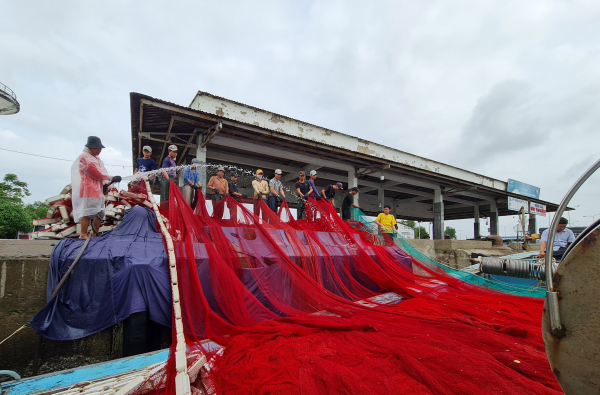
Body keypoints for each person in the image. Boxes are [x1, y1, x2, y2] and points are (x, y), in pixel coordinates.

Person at [71, 136, 121, 239]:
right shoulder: (85, 157)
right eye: (97, 148)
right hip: (88, 189)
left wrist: (107, 183)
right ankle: (83, 234)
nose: (99, 150)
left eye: (100, 148)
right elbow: (96, 173)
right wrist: (111, 178)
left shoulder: (97, 160)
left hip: (98, 189)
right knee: (88, 212)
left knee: (99, 213)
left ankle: (95, 234)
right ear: (91, 147)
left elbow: (102, 174)